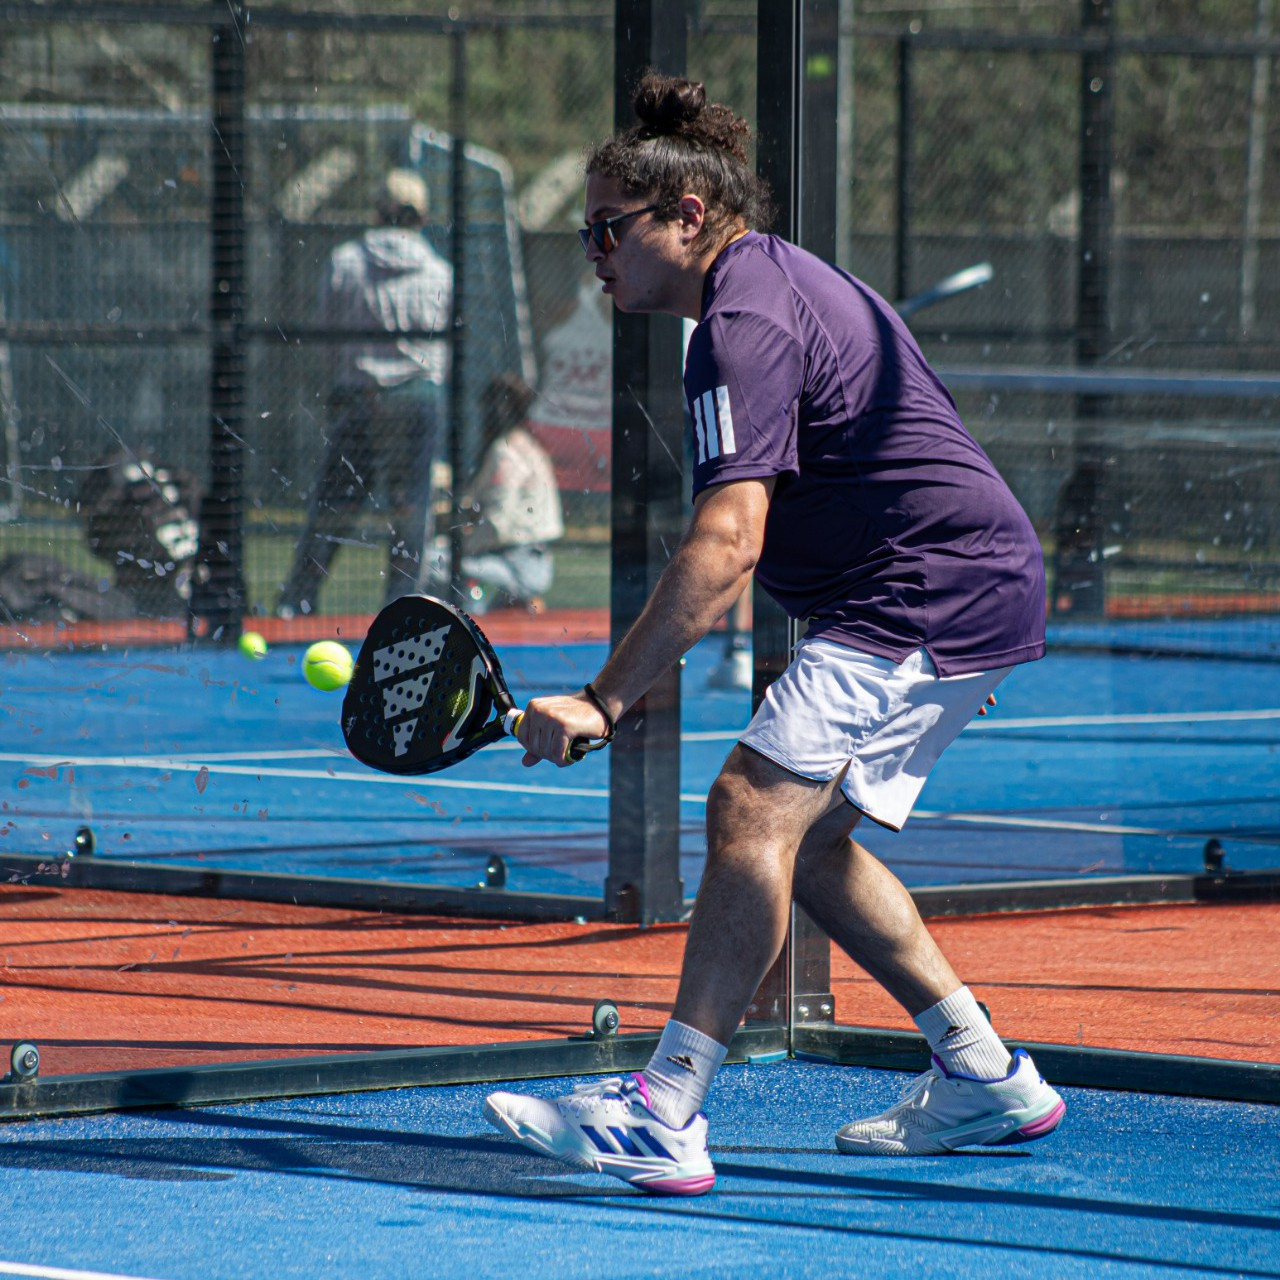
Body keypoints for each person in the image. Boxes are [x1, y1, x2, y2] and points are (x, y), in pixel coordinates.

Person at [483, 73, 1063, 1196]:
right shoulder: (770, 287)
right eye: (584, 231)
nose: (593, 252)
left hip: (922, 592)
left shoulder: (740, 322)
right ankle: (983, 1071)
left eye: (607, 228)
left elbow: (727, 542)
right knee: (810, 839)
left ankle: (663, 1109)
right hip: (951, 589)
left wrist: (602, 700)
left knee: (750, 806)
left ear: (686, 216)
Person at [279, 169, 452, 616]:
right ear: (422, 216)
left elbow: (328, 333)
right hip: (418, 398)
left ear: (377, 211)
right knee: (410, 508)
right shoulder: (438, 271)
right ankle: (402, 608)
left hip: (362, 395)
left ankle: (297, 601)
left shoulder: (347, 261)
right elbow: (443, 348)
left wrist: (344, 381)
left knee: (336, 503)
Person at [437, 372, 564, 614]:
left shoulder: (505, 451)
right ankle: (513, 601)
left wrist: (460, 548)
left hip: (517, 566)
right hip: (529, 561)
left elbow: (498, 523)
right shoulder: (528, 445)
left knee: (435, 562)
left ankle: (510, 600)